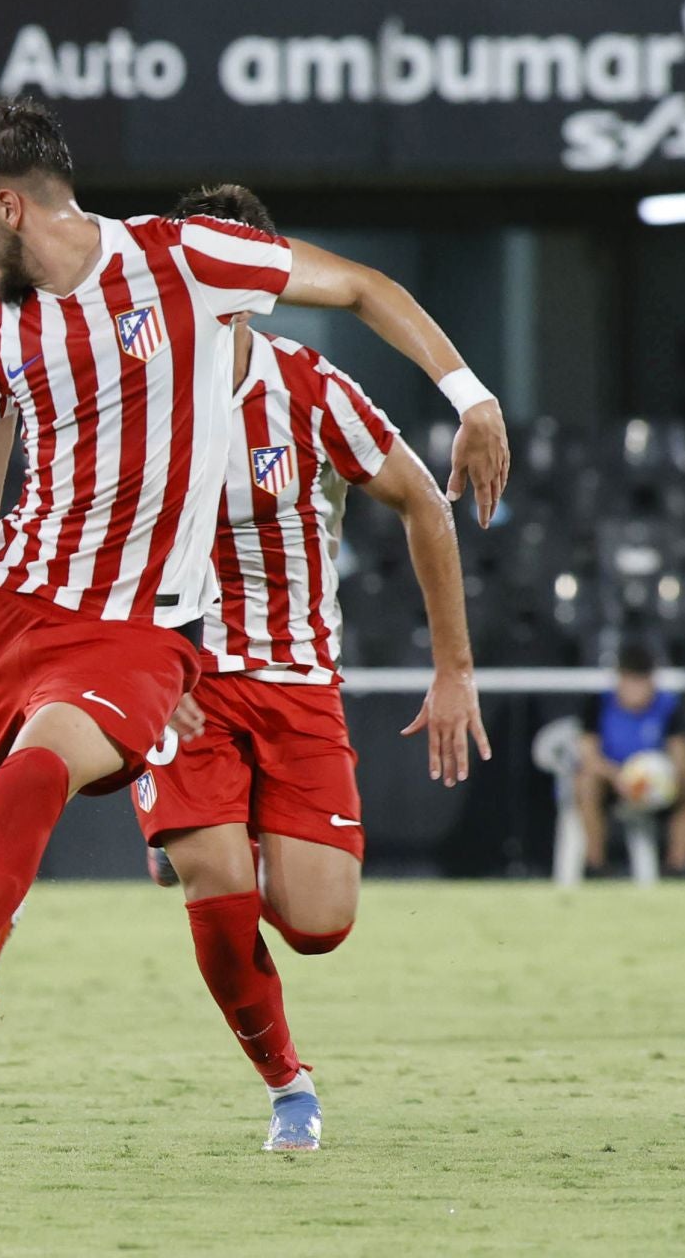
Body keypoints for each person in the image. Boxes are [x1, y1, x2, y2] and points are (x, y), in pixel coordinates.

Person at [0, 98, 508, 1110]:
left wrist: (472, 396)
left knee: (37, 776)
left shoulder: (184, 260)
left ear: (9, 203)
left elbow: (361, 287)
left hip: (138, 629)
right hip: (15, 602)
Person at [129, 185, 489, 1151]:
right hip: (184, 680)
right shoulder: (138, 395)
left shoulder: (313, 390)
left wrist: (453, 669)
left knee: (318, 922)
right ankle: (289, 1086)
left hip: (296, 681)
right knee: (215, 878)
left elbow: (425, 504)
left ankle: (211, 836)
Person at [577, 643, 685, 875]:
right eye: (631, 682)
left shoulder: (666, 705)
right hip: (612, 781)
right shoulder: (599, 703)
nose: (636, 690)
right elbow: (589, 756)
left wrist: (664, 777)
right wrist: (619, 777)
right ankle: (595, 864)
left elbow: (681, 753)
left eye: (642, 682)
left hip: (656, 785)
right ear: (620, 680)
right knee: (585, 782)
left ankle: (679, 863)